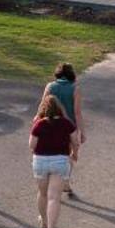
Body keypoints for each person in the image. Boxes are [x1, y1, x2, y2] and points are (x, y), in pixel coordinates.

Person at [29, 92, 76, 228]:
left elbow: (31, 145)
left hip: (40, 161)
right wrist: (73, 151)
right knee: (54, 197)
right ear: (58, 108)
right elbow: (75, 141)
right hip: (60, 161)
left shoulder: (39, 124)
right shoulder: (66, 123)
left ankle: (43, 221)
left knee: (42, 194)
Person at [45, 62, 83, 197]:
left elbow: (43, 106)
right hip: (68, 127)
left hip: (50, 126)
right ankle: (65, 183)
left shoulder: (50, 86)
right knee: (67, 156)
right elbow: (77, 113)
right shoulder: (75, 89)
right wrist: (81, 131)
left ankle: (51, 181)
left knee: (51, 153)